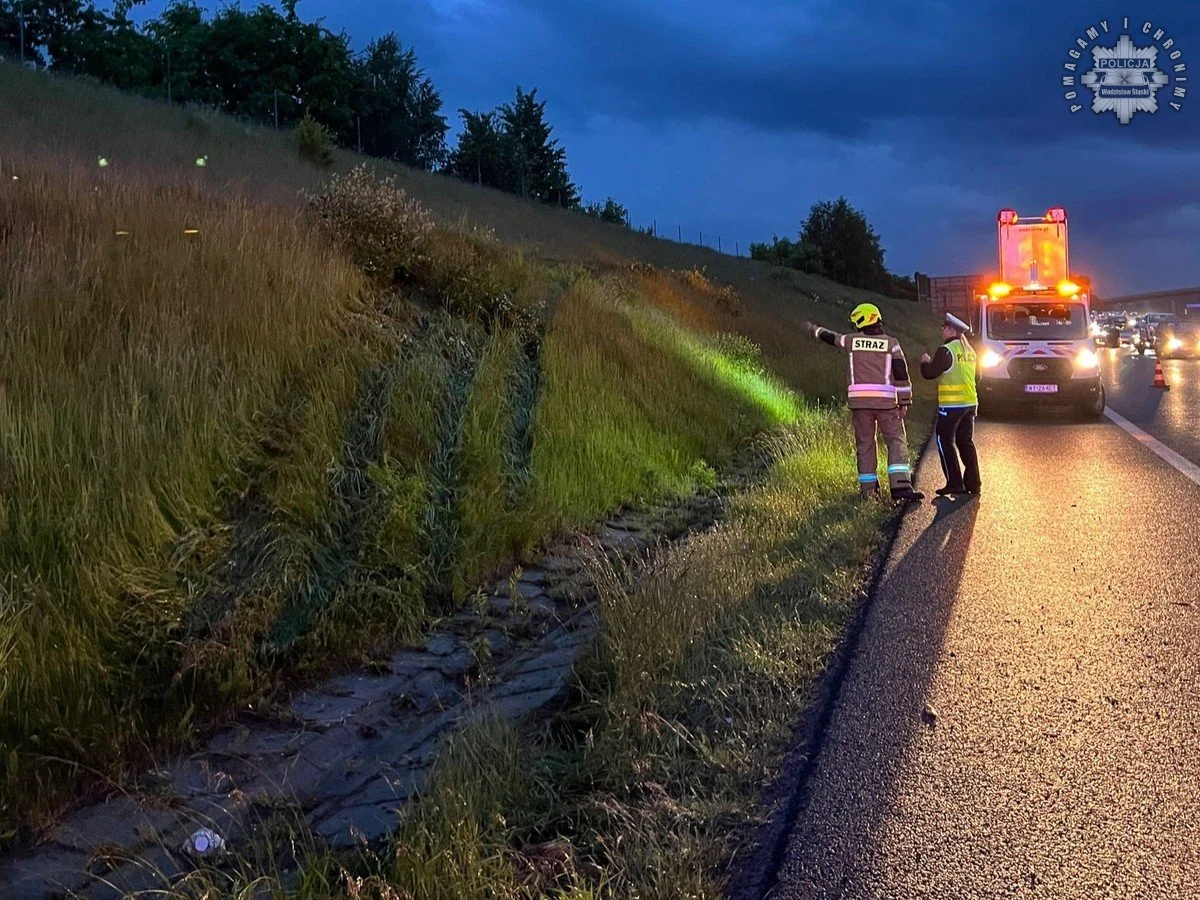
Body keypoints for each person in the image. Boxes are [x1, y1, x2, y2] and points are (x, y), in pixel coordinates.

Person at [803, 303, 924, 502]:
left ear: (863, 320)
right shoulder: (891, 343)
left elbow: (830, 337)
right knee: (896, 441)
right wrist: (904, 402)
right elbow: (901, 373)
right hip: (886, 404)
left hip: (859, 405)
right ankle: (900, 486)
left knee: (865, 445)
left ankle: (869, 492)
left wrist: (813, 329)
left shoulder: (851, 340)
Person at [920, 313, 981, 497]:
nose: (942, 330)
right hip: (970, 403)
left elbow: (929, 373)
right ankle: (974, 483)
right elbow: (978, 377)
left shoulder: (946, 350)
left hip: (952, 406)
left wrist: (924, 362)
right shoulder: (970, 351)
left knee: (943, 439)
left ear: (952, 330)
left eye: (944, 327)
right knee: (965, 442)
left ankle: (954, 482)